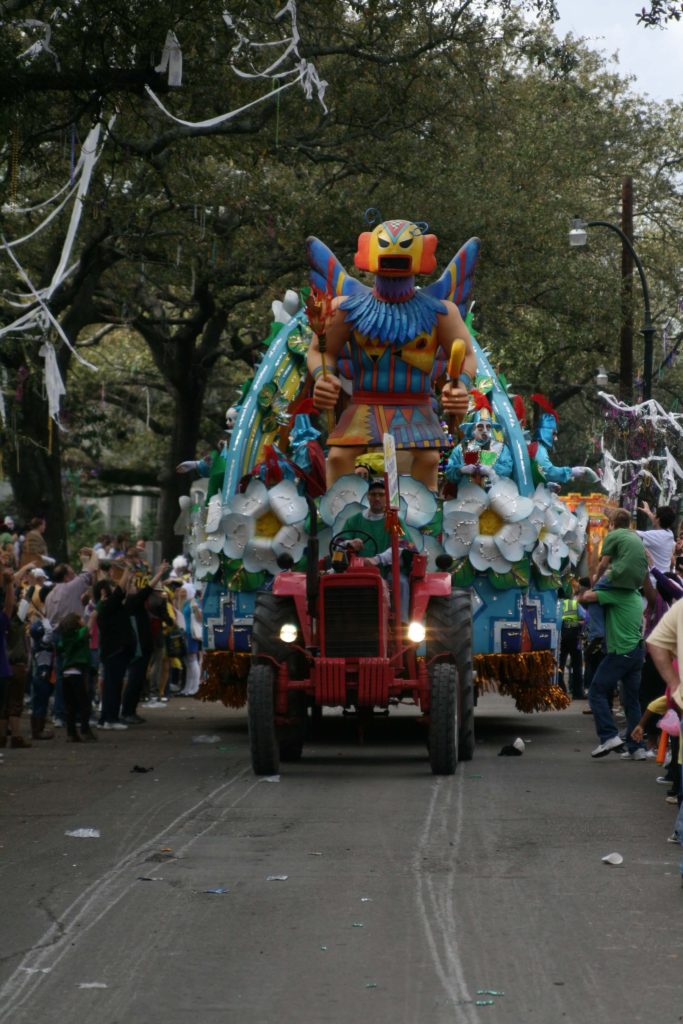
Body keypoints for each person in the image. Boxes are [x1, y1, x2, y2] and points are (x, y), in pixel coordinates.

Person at [306, 218, 477, 491]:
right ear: (367, 252)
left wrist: (460, 386)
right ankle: (341, 523)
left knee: (428, 458)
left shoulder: (442, 312)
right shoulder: (345, 308)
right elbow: (319, 350)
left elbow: (467, 354)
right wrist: (322, 377)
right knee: (339, 457)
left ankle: (422, 525)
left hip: (417, 405)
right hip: (363, 403)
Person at [580, 576, 649, 760]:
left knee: (596, 692)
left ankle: (609, 736)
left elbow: (586, 597)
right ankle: (637, 747)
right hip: (636, 652)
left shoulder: (616, 595)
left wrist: (602, 579)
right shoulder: (635, 596)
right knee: (631, 702)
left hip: (620, 651)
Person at [94, 567, 136, 729]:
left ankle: (106, 718)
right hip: (115, 651)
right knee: (113, 686)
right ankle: (110, 719)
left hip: (114, 650)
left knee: (113, 685)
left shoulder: (107, 606)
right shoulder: (107, 605)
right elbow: (119, 592)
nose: (115, 588)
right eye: (111, 587)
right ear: (104, 592)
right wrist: (126, 571)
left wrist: (129, 576)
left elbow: (121, 593)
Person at [55, 612, 97, 742]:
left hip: (66, 674)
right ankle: (85, 730)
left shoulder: (64, 639)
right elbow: (87, 629)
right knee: (84, 704)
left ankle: (71, 733)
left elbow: (60, 648)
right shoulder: (80, 635)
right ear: (77, 622)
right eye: (80, 619)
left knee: (70, 705)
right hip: (78, 673)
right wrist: (93, 615)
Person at [559, 586, 587, 698]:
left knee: (559, 663)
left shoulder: (553, 603)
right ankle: (577, 692)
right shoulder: (573, 604)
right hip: (574, 636)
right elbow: (585, 617)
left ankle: (560, 690)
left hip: (560, 637)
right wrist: (579, 623)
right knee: (577, 665)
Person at [636, 501, 676, 575]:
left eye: (655, 515)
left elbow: (630, 532)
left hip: (653, 581)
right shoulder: (670, 534)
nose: (653, 516)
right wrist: (648, 512)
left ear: (658, 519)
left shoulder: (653, 535)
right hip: (664, 579)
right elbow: (657, 521)